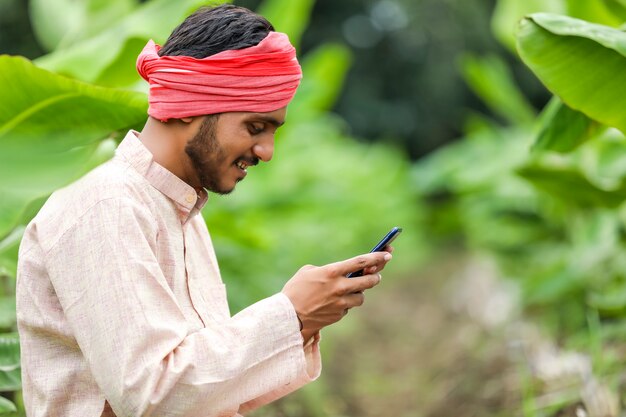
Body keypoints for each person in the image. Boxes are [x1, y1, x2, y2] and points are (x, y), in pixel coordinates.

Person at [16, 4, 392, 417]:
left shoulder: (182, 212)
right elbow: (151, 395)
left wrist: (302, 320)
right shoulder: (105, 206)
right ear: (191, 104)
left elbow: (203, 395)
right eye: (255, 127)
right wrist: (290, 313)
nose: (267, 151)